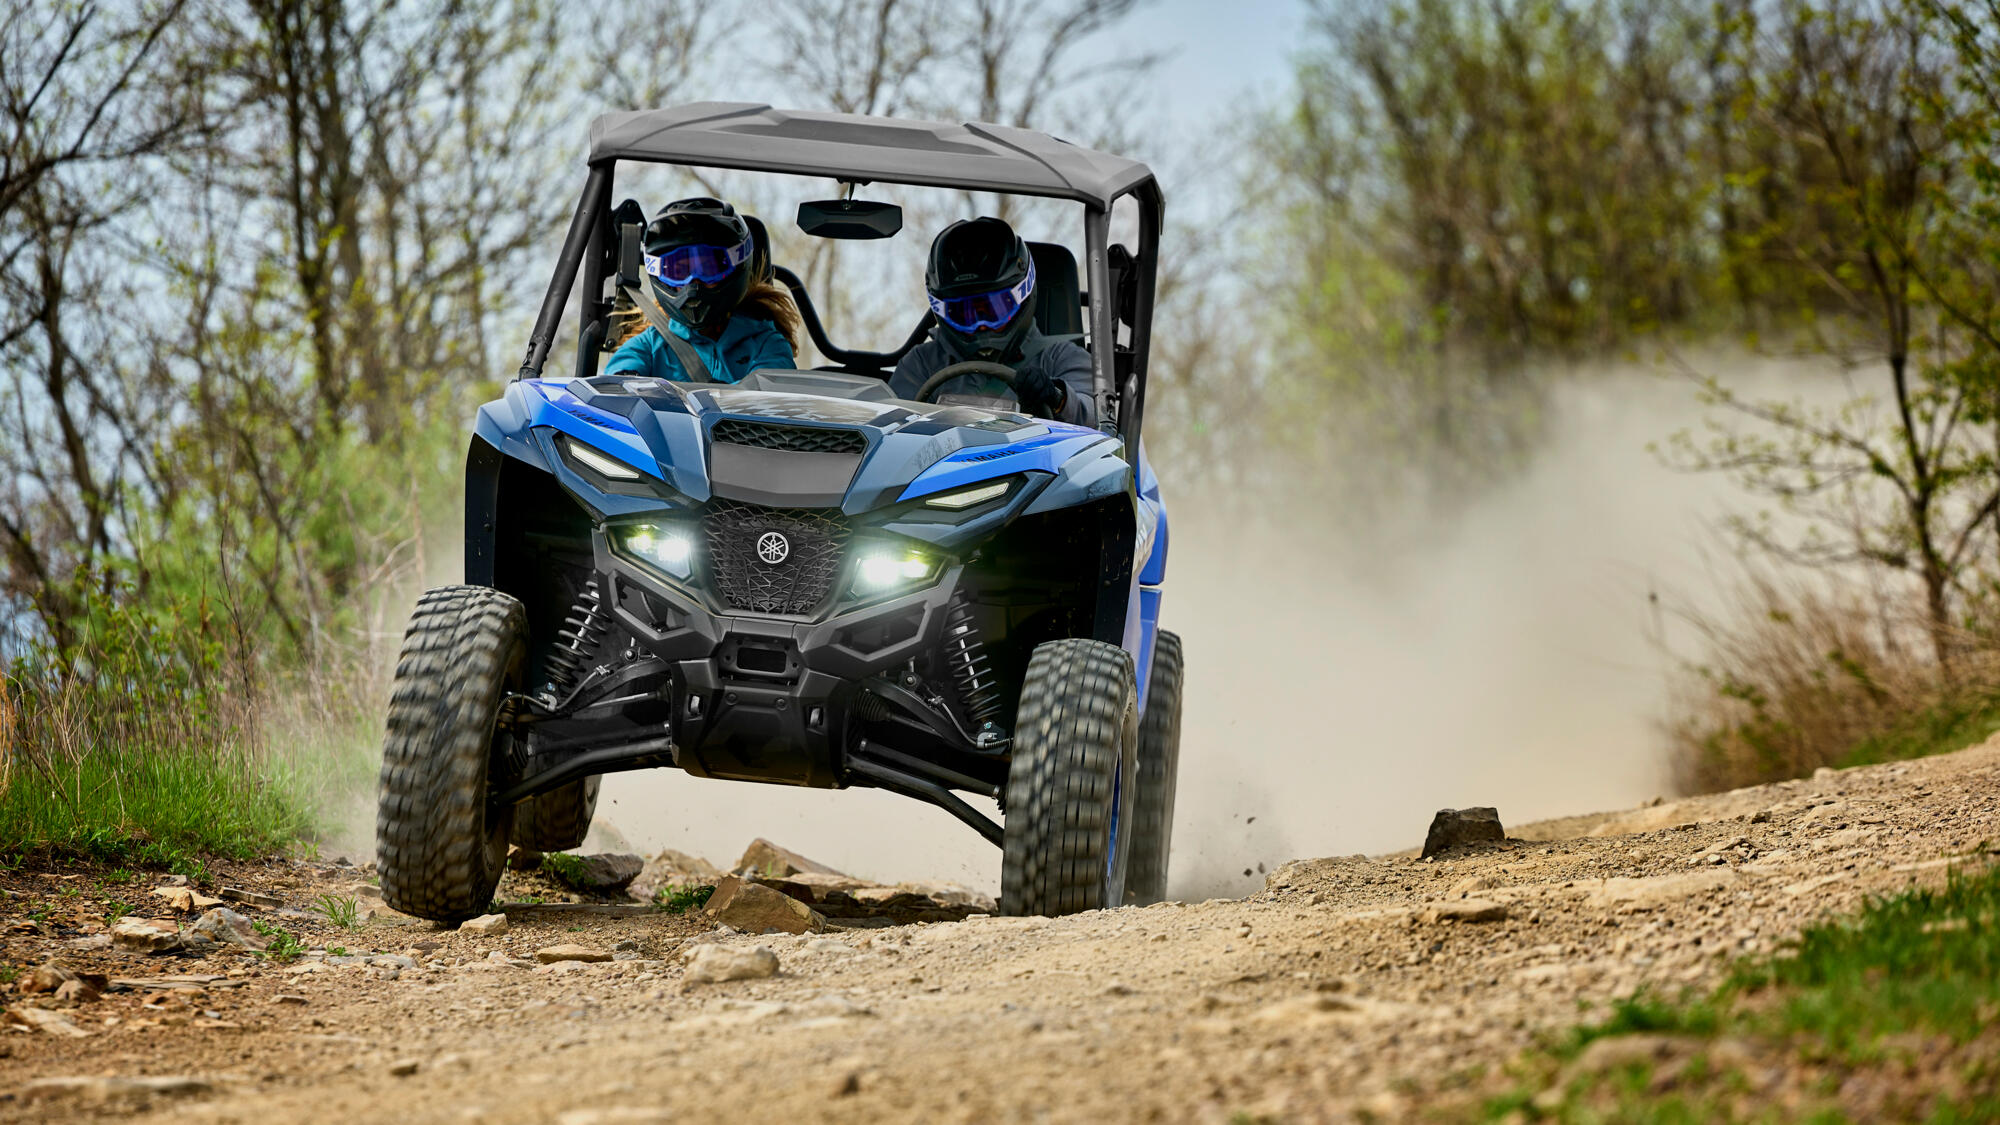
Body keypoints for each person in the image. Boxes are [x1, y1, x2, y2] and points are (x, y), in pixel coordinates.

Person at [889, 217, 1095, 425]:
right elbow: (889, 424)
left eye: (995, 309)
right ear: (941, 312)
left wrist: (1058, 398)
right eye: (964, 314)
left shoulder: (1061, 358)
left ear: (1023, 295)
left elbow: (1096, 417)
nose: (981, 325)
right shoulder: (922, 364)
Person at [605, 197, 801, 383]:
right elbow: (616, 389)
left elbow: (766, 393)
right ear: (660, 276)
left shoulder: (766, 343)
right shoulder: (649, 346)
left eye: (708, 268)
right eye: (679, 271)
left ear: (736, 266)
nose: (693, 283)